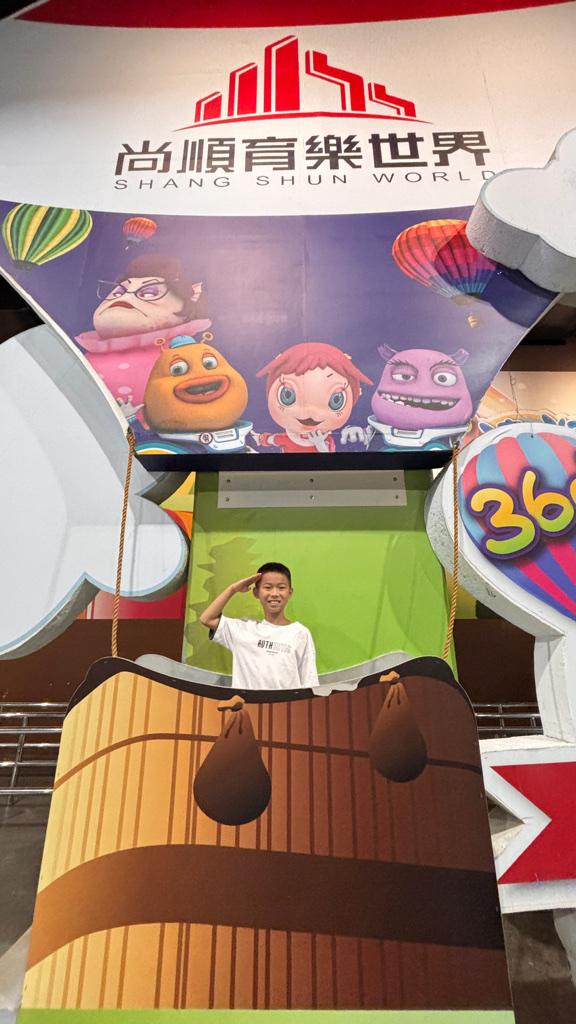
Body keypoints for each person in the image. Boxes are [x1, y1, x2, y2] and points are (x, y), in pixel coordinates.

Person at [74, 254, 211, 413]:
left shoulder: (181, 353)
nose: (127, 297)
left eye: (148, 294)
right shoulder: (84, 353)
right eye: (119, 292)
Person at [199, 562, 319, 691]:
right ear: (256, 593)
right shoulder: (242, 630)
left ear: (290, 592)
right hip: (247, 703)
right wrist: (233, 589)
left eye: (281, 587)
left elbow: (310, 682)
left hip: (286, 703)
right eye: (268, 587)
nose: (274, 593)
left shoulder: (300, 633)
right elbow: (207, 618)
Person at [255, 342, 372, 453]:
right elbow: (269, 440)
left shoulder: (326, 441)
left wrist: (319, 443)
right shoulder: (286, 438)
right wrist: (258, 438)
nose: (309, 413)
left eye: (336, 400)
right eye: (287, 395)